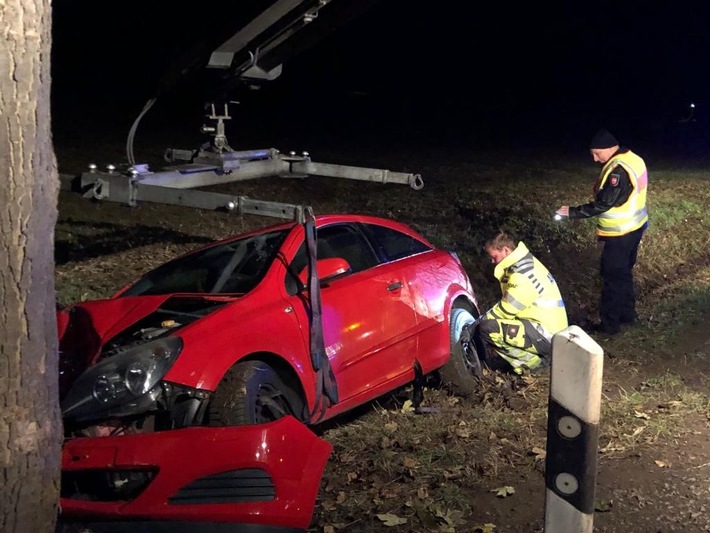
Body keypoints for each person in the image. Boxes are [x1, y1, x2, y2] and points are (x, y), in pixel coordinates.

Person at [555, 129, 648, 335]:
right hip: (636, 227)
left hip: (620, 233)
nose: (596, 160)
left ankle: (610, 325)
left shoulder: (618, 170)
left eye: (597, 154)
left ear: (608, 148)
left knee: (612, 278)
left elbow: (604, 202)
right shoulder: (633, 158)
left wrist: (572, 212)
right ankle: (628, 315)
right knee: (624, 274)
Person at [474, 232, 569, 375]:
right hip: (551, 329)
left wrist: (479, 321)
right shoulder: (525, 262)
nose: (493, 261)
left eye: (494, 257)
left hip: (546, 334)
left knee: (488, 328)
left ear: (506, 250)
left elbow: (506, 310)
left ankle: (533, 364)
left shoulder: (520, 274)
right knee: (496, 323)